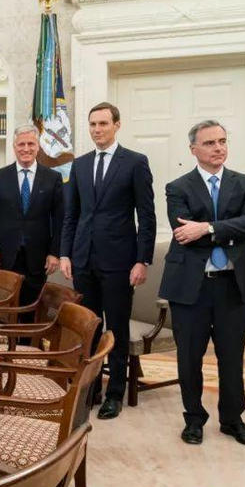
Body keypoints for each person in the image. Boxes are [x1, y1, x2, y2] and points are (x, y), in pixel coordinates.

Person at [158, 120, 245, 447]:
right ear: (193, 150)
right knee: (189, 358)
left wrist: (207, 228)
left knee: (232, 357)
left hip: (234, 285)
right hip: (191, 286)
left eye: (222, 141)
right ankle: (194, 419)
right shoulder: (177, 187)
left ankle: (232, 420)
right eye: (209, 143)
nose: (218, 148)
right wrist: (228, 229)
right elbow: (182, 232)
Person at [60, 101, 156, 420]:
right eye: (93, 124)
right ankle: (91, 389)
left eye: (103, 123)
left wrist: (142, 260)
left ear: (117, 125)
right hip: (83, 259)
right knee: (89, 328)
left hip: (119, 261)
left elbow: (146, 215)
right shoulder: (80, 164)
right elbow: (71, 214)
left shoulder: (135, 162)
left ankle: (115, 391)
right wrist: (66, 253)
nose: (97, 129)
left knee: (115, 327)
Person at [0, 125, 64, 308]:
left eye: (31, 144)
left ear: (38, 147)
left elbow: (60, 220)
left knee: (32, 310)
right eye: (21, 144)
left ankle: (29, 330)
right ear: (14, 147)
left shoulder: (53, 178)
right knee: (6, 311)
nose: (26, 149)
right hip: (4, 256)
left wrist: (55, 252)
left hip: (38, 259)